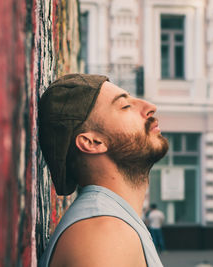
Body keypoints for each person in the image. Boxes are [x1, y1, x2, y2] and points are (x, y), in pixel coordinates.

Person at [38, 74, 169, 267]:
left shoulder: (111, 224)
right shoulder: (104, 235)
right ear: (92, 142)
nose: (150, 106)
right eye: (125, 106)